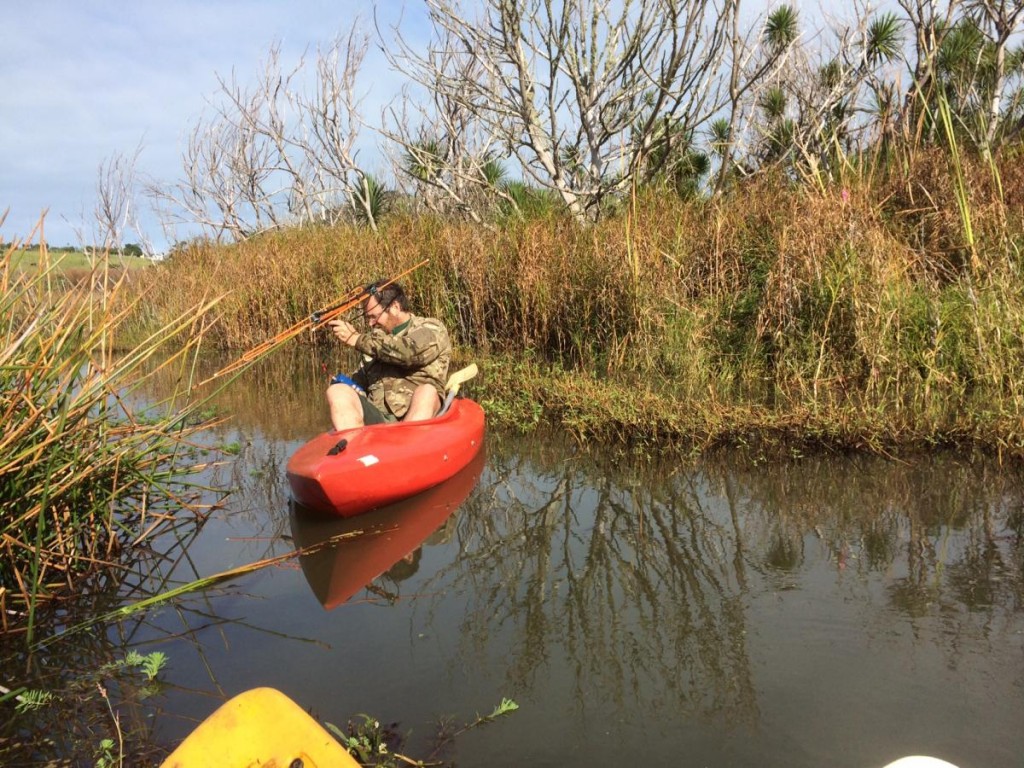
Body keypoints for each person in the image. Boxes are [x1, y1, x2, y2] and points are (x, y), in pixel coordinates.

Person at [325, 280, 451, 432]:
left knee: (427, 392)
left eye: (374, 316)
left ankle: (409, 448)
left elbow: (408, 352)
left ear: (395, 308)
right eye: (368, 318)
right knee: (338, 391)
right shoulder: (375, 339)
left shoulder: (431, 328)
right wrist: (349, 386)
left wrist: (356, 339)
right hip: (379, 419)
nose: (371, 324)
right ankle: (354, 450)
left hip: (416, 415)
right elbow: (361, 383)